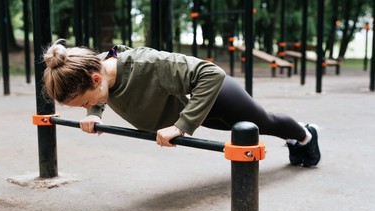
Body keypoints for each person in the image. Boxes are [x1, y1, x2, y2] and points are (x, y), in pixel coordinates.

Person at [42, 39, 321, 167]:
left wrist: (182, 125)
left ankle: (306, 135)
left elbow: (211, 73)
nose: (86, 107)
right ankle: (296, 141)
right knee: (234, 129)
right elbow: (98, 94)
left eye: (85, 102)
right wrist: (94, 112)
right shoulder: (100, 67)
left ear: (94, 79)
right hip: (189, 106)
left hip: (216, 93)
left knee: (264, 124)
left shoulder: (148, 65)